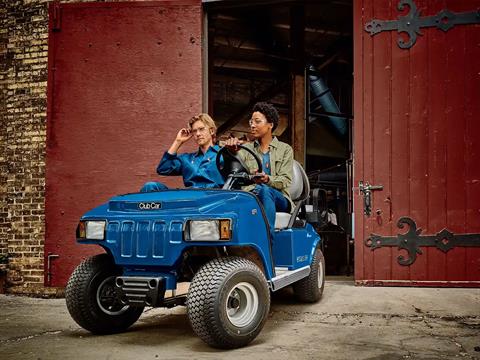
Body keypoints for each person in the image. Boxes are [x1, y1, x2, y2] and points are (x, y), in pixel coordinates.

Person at [225, 102, 293, 234]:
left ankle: (267, 240)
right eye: (251, 121)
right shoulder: (245, 149)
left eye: (257, 121)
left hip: (279, 198)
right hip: (254, 194)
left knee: (265, 191)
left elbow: (285, 180)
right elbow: (235, 174)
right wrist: (232, 152)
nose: (252, 125)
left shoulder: (285, 149)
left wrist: (267, 179)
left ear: (270, 125)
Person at [140, 113, 224, 192]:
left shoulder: (223, 154)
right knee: (150, 186)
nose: (198, 134)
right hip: (189, 197)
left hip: (213, 198)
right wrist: (178, 141)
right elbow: (163, 169)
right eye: (194, 131)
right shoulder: (187, 159)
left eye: (201, 129)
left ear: (212, 131)